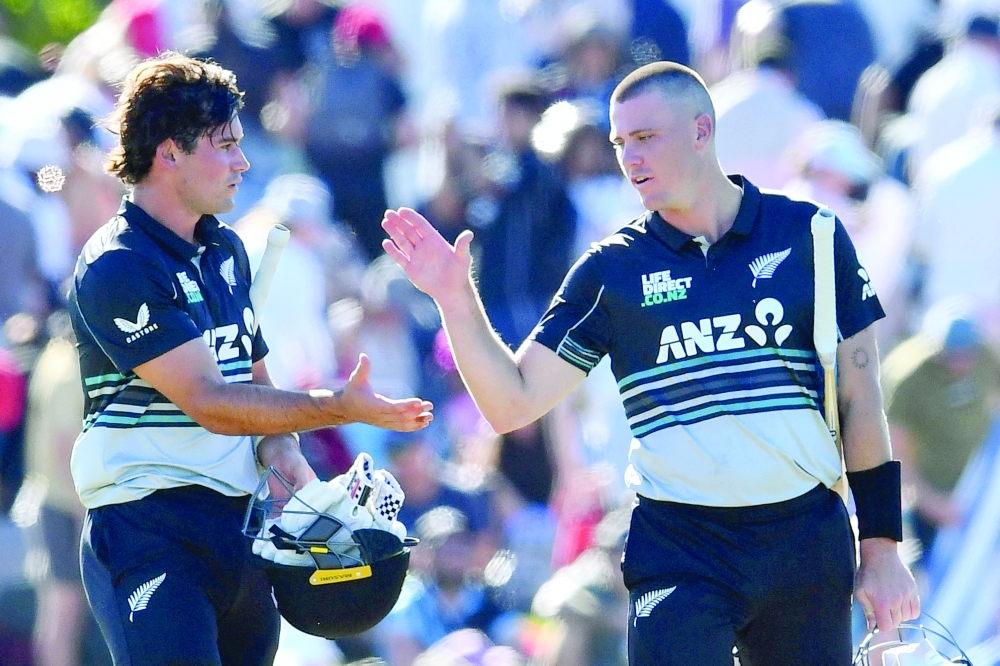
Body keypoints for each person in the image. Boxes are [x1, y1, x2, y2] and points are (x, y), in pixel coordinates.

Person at [383, 61, 919, 665]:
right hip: (680, 545)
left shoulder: (812, 237)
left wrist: (882, 549)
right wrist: (456, 300)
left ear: (701, 130)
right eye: (620, 143)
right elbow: (513, 403)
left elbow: (861, 400)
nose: (629, 159)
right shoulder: (612, 269)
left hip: (803, 539)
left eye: (645, 137)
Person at [67, 53, 433, 666]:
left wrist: (293, 468)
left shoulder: (226, 250)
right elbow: (212, 403)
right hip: (149, 531)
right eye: (226, 145)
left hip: (239, 528)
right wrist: (339, 407)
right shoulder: (119, 264)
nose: (243, 161)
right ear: (169, 152)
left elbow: (255, 389)